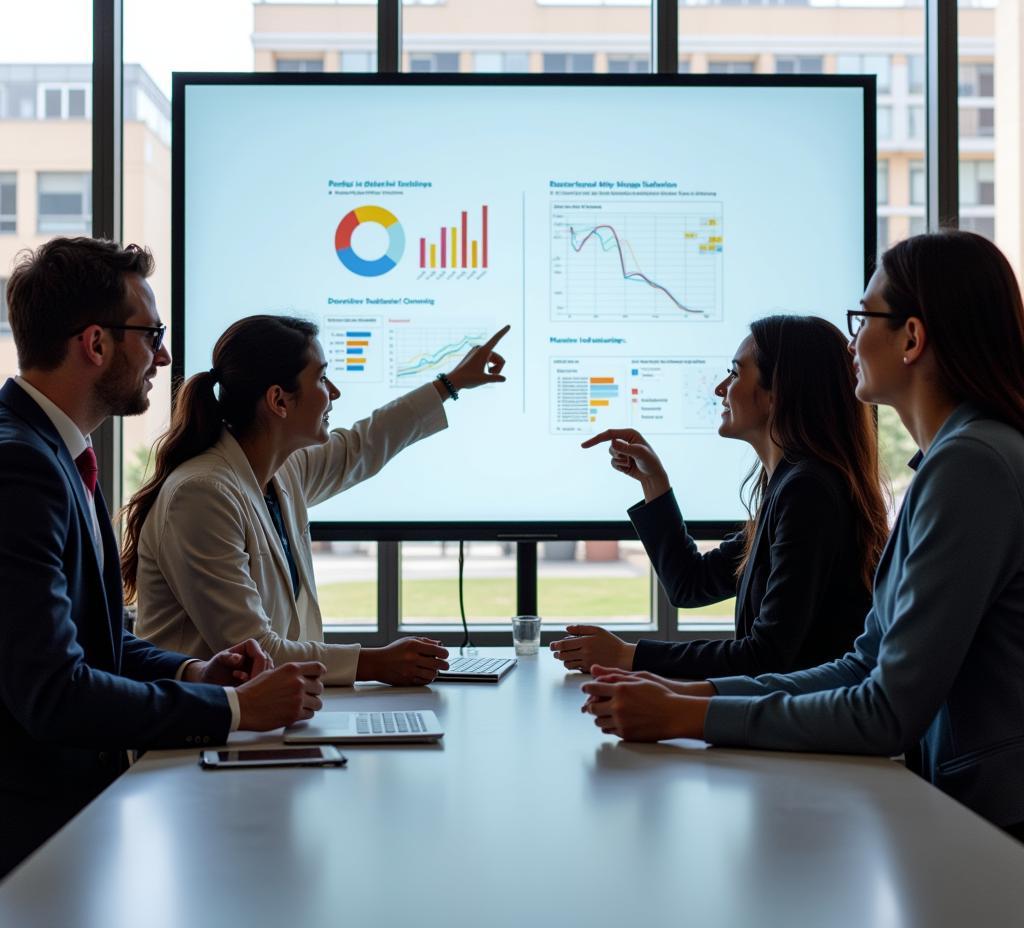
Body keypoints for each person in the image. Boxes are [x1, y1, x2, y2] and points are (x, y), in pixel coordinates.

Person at [582, 230, 1024, 839]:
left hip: (995, 824)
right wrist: (692, 694)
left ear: (913, 338)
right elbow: (863, 663)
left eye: (864, 317)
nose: (852, 341)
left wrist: (692, 711)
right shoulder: (951, 463)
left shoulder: (969, 465)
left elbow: (885, 710)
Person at [0, 238, 327, 879]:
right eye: (151, 335)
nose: (166, 356)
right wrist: (233, 711)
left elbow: (101, 645)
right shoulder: (21, 466)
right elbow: (53, 692)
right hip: (32, 848)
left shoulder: (60, 456)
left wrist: (196, 672)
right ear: (95, 344)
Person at [124, 317, 509, 687]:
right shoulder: (201, 495)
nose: (335, 393)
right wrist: (376, 662)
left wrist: (450, 383)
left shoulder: (281, 472)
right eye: (322, 378)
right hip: (197, 735)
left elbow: (366, 443)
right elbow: (253, 653)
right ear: (279, 400)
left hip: (262, 719)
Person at [551, 315, 887, 680]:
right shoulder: (793, 486)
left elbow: (766, 655)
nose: (720, 388)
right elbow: (689, 583)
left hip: (810, 732)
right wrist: (654, 482)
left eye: (735, 373)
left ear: (778, 393)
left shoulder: (808, 492)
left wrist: (627, 656)